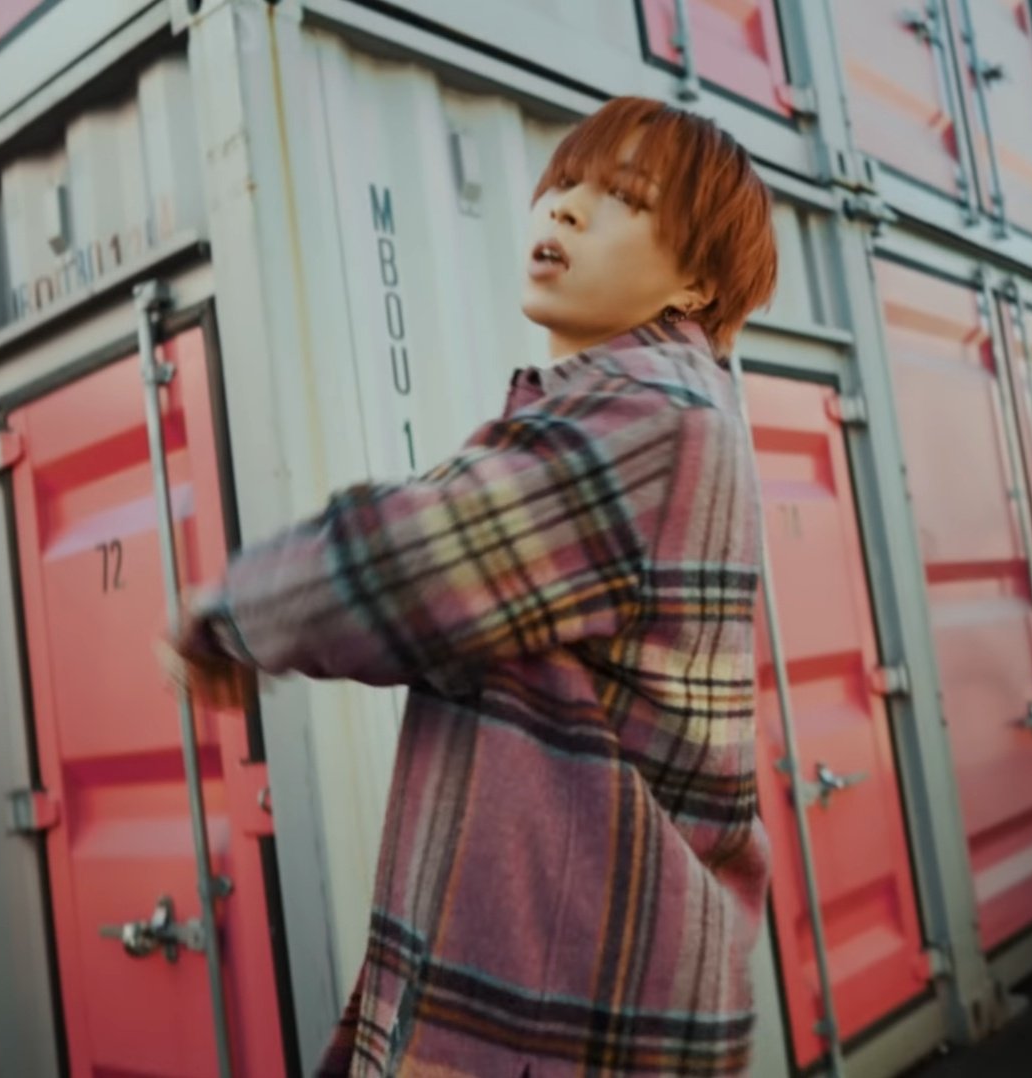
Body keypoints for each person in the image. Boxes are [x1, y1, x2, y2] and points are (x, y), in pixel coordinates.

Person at [164, 95, 779, 1077]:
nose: (563, 208)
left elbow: (406, 561)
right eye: (562, 184)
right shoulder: (651, 410)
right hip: (564, 987)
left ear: (697, 283)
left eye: (623, 198)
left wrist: (227, 616)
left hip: (559, 1013)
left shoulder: (652, 415)